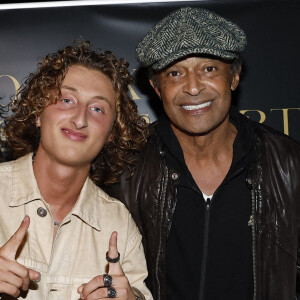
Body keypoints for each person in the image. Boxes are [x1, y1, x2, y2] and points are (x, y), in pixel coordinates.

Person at [103, 7, 300, 300]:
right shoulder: (124, 168)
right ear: (157, 89)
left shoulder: (290, 164)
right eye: (175, 73)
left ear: (234, 77)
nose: (193, 87)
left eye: (209, 69)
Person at [0, 41, 152, 300]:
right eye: (66, 99)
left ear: (111, 134)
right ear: (38, 113)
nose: (80, 119)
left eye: (97, 109)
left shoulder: (118, 224)